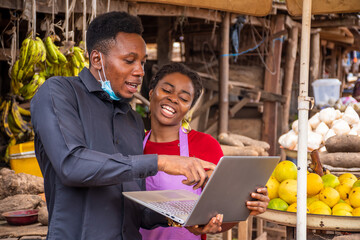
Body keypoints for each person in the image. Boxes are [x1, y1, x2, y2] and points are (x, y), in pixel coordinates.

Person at [30, 12, 216, 240]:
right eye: (129, 61)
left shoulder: (132, 120)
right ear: (97, 59)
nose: (140, 71)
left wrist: (183, 217)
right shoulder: (59, 93)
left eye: (143, 62)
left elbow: (133, 208)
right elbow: (71, 165)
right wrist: (161, 161)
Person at [140, 63, 270, 240]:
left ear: (188, 109)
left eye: (184, 98)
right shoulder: (133, 144)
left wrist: (247, 206)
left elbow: (224, 213)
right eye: (166, 90)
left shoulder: (205, 145)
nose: (173, 99)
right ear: (151, 92)